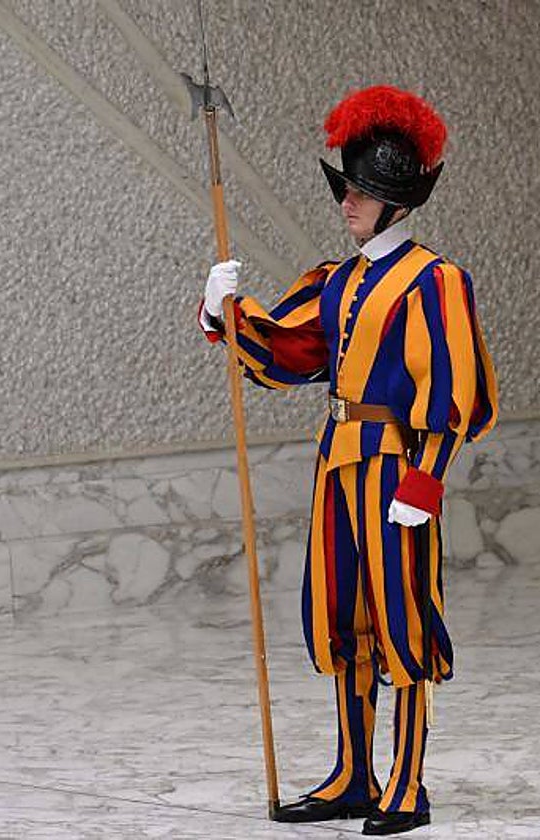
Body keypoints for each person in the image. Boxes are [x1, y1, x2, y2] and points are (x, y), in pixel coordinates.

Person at [199, 86, 497, 835]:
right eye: (348, 188)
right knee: (342, 617)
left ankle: (407, 784)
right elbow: (291, 349)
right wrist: (223, 311)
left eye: (362, 191)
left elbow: (454, 390)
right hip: (337, 463)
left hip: (396, 467)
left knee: (404, 618)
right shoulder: (338, 279)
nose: (348, 202)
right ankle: (353, 776)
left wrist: (426, 481)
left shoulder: (435, 281)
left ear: (397, 202)